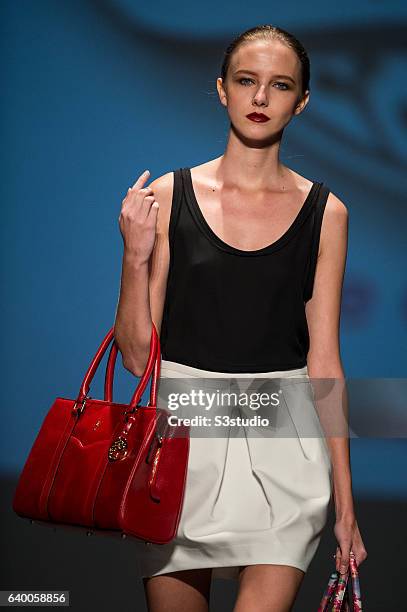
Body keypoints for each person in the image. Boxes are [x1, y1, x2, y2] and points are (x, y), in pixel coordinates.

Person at [114, 24, 368, 612]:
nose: (260, 98)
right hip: (181, 439)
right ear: (222, 89)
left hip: (285, 442)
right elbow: (134, 358)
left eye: (279, 86)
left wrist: (346, 503)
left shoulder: (327, 213)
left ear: (301, 102)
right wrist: (134, 255)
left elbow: (324, 358)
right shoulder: (170, 198)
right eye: (246, 81)